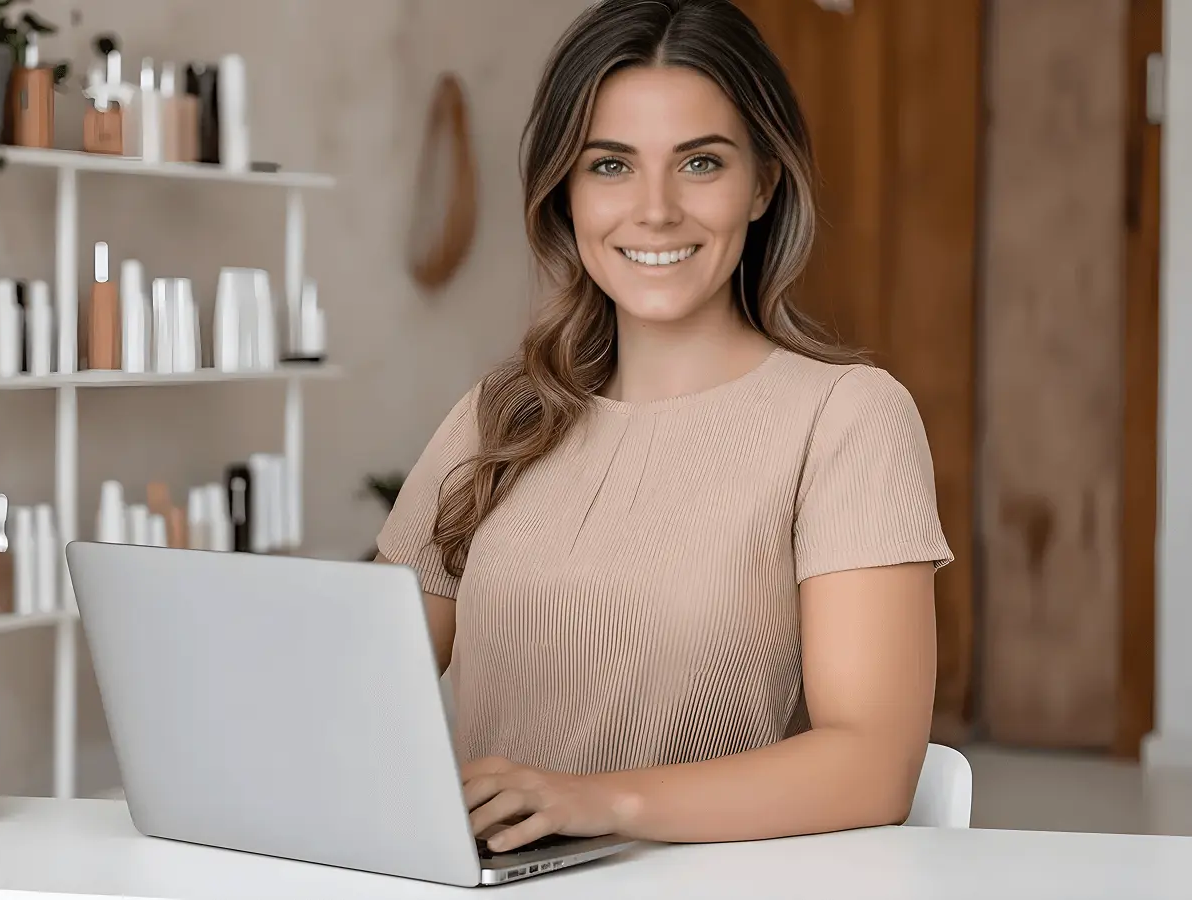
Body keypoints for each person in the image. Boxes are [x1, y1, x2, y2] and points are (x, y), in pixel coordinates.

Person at [375, 0, 953, 853]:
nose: (653, 210)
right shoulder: (498, 415)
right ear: (564, 191)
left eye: (699, 163)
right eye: (609, 165)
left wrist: (595, 802)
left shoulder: (847, 418)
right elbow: (365, 693)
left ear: (761, 183)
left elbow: (870, 767)